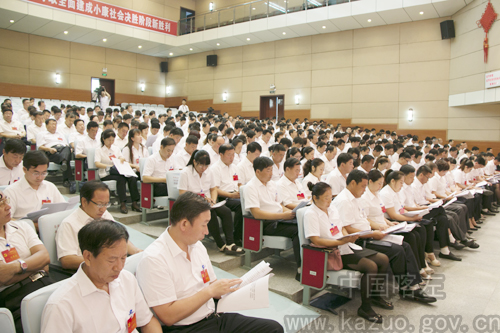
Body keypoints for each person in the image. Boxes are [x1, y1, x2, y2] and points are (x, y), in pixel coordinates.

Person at [135, 192, 282, 332]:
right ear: (184, 224)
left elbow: (210, 283)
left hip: (213, 316)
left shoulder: (196, 245)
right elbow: (168, 316)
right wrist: (210, 291)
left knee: (273, 328)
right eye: (204, 224)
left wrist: (230, 287)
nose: (207, 232)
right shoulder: (154, 259)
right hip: (185, 328)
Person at [332, 170, 436, 303]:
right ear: (353, 183)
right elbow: (347, 229)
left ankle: (412, 285)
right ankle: (407, 287)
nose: (365, 190)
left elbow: (365, 219)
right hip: (360, 240)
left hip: (370, 233)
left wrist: (380, 228)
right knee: (397, 250)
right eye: (363, 186)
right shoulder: (344, 201)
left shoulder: (356, 198)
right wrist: (373, 233)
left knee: (405, 244)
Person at [42, 220, 161, 333]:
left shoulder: (126, 279)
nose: (119, 267)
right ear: (88, 257)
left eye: (123, 258)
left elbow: (147, 321)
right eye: (111, 260)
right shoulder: (62, 305)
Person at [304, 182, 389, 324]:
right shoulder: (310, 214)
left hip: (344, 245)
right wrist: (341, 242)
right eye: (326, 198)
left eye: (331, 197)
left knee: (384, 259)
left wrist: (347, 238)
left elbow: (341, 228)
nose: (330, 201)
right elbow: (316, 241)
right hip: (331, 252)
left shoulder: (332, 210)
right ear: (315, 198)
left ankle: (375, 295)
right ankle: (365, 307)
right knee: (371, 266)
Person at [56, 181, 142, 270]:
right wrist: (100, 261)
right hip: (88, 271)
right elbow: (67, 260)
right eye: (100, 204)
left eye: (106, 204)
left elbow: (118, 237)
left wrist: (136, 251)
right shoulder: (69, 224)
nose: (103, 209)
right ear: (84, 201)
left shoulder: (104, 215)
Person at [0, 191, 52, 333]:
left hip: (46, 282)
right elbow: (3, 276)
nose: (8, 207)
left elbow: (45, 259)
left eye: (7, 200)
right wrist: (34, 265)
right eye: (1, 204)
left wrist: (16, 267)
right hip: (14, 296)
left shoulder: (21, 226)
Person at [243, 156, 301, 280]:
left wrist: (292, 212)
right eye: (268, 170)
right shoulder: (250, 187)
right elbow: (256, 213)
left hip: (280, 218)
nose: (271, 173)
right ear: (258, 171)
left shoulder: (272, 184)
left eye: (272, 170)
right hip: (266, 223)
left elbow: (279, 205)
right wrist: (282, 215)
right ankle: (301, 269)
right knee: (297, 230)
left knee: (304, 222)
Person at [178, 150, 243, 255]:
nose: (204, 169)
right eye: (201, 166)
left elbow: (213, 189)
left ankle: (230, 243)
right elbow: (182, 194)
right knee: (209, 213)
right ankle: (220, 244)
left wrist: (213, 199)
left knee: (226, 211)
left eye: (206, 166)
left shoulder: (209, 172)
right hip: (191, 203)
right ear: (194, 162)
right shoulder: (185, 172)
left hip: (207, 202)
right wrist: (200, 199)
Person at [373, 170, 434, 279]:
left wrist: (414, 213)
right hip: (391, 222)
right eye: (401, 182)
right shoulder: (385, 193)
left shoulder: (395, 192)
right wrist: (411, 218)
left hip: (393, 221)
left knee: (421, 229)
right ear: (393, 181)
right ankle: (418, 267)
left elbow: (401, 209)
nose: (402, 184)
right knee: (412, 236)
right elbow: (393, 215)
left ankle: (422, 262)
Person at [5, 151, 66, 220]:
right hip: (22, 229)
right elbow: (6, 219)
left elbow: (63, 209)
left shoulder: (50, 187)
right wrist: (30, 225)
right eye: (36, 173)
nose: (40, 177)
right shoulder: (11, 192)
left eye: (43, 173)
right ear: (25, 170)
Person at [94, 129, 141, 214]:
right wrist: (109, 166)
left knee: (132, 177)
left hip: (118, 171)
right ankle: (123, 203)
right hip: (106, 173)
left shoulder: (115, 149)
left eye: (112, 140)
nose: (111, 142)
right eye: (109, 140)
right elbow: (97, 163)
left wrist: (121, 159)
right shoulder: (99, 150)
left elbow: (121, 158)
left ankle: (134, 202)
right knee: (121, 179)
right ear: (103, 139)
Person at [210, 144, 244, 246]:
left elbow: (239, 183)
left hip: (235, 195)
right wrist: (231, 196)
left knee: (248, 203)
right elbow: (215, 189)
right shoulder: (215, 168)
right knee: (242, 206)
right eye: (229, 155)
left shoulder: (234, 167)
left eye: (233, 154)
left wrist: (241, 191)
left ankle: (241, 234)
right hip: (223, 197)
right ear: (221, 154)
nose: (232, 157)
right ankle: (237, 236)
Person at [37, 119, 73, 187]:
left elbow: (66, 145)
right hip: (51, 152)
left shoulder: (60, 134)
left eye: (55, 124)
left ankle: (64, 162)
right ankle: (66, 179)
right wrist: (49, 149)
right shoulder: (42, 134)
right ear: (46, 125)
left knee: (67, 149)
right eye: (52, 124)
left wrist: (69, 149)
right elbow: (40, 147)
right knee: (66, 157)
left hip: (62, 150)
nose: (54, 126)